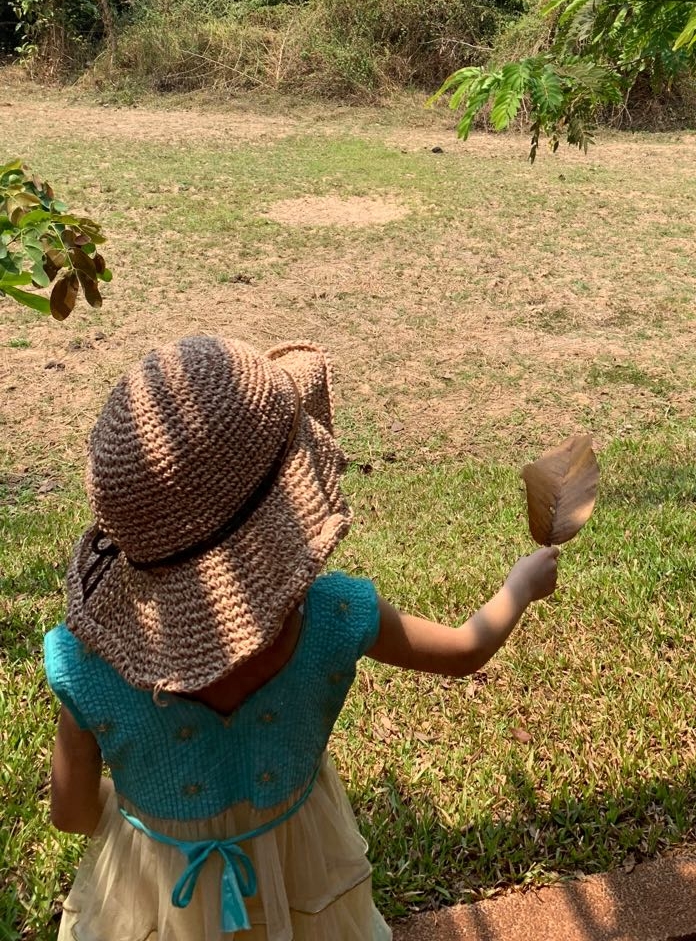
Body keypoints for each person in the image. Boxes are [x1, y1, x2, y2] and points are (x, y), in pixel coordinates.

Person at [45, 335, 559, 940]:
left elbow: (73, 813)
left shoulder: (88, 666)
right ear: (288, 508)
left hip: (154, 903)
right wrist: (520, 585)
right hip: (307, 885)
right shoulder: (336, 616)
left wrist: (154, 808)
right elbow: (467, 649)